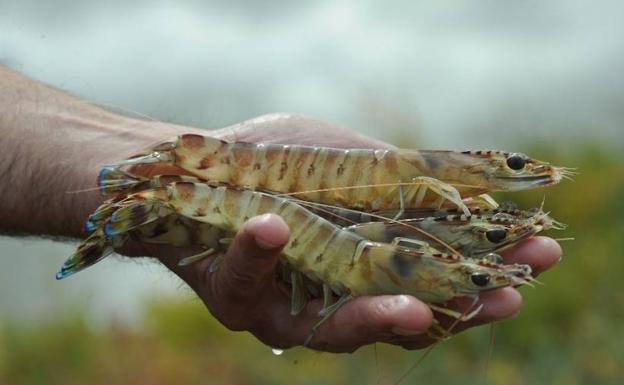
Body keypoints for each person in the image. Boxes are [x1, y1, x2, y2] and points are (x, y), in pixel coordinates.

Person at [0, 66, 562, 353]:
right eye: (509, 166)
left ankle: (149, 198)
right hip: (242, 183)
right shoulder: (417, 180)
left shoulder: (428, 191)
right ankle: (150, 195)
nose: (519, 174)